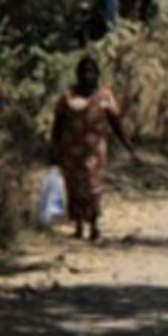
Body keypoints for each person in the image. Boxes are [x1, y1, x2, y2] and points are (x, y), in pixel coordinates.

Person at [50, 56, 137, 242]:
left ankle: (94, 227)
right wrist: (53, 148)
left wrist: (128, 145)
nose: (87, 75)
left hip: (95, 152)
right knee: (74, 187)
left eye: (91, 71)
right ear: (78, 74)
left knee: (92, 187)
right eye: (84, 71)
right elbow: (58, 124)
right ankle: (79, 227)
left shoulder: (105, 96)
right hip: (71, 152)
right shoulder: (67, 97)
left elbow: (116, 123)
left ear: (97, 74)